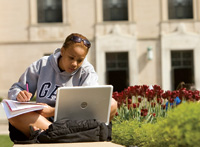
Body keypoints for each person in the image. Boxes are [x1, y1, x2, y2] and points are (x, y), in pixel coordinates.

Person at [7, 33, 118, 142]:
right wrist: (19, 94)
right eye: (71, 58)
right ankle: (68, 136)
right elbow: (16, 88)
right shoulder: (42, 64)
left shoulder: (87, 70)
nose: (75, 64)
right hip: (44, 120)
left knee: (112, 104)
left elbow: (91, 105)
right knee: (14, 115)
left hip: (74, 121)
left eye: (80, 60)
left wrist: (53, 111)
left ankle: (50, 135)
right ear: (62, 51)